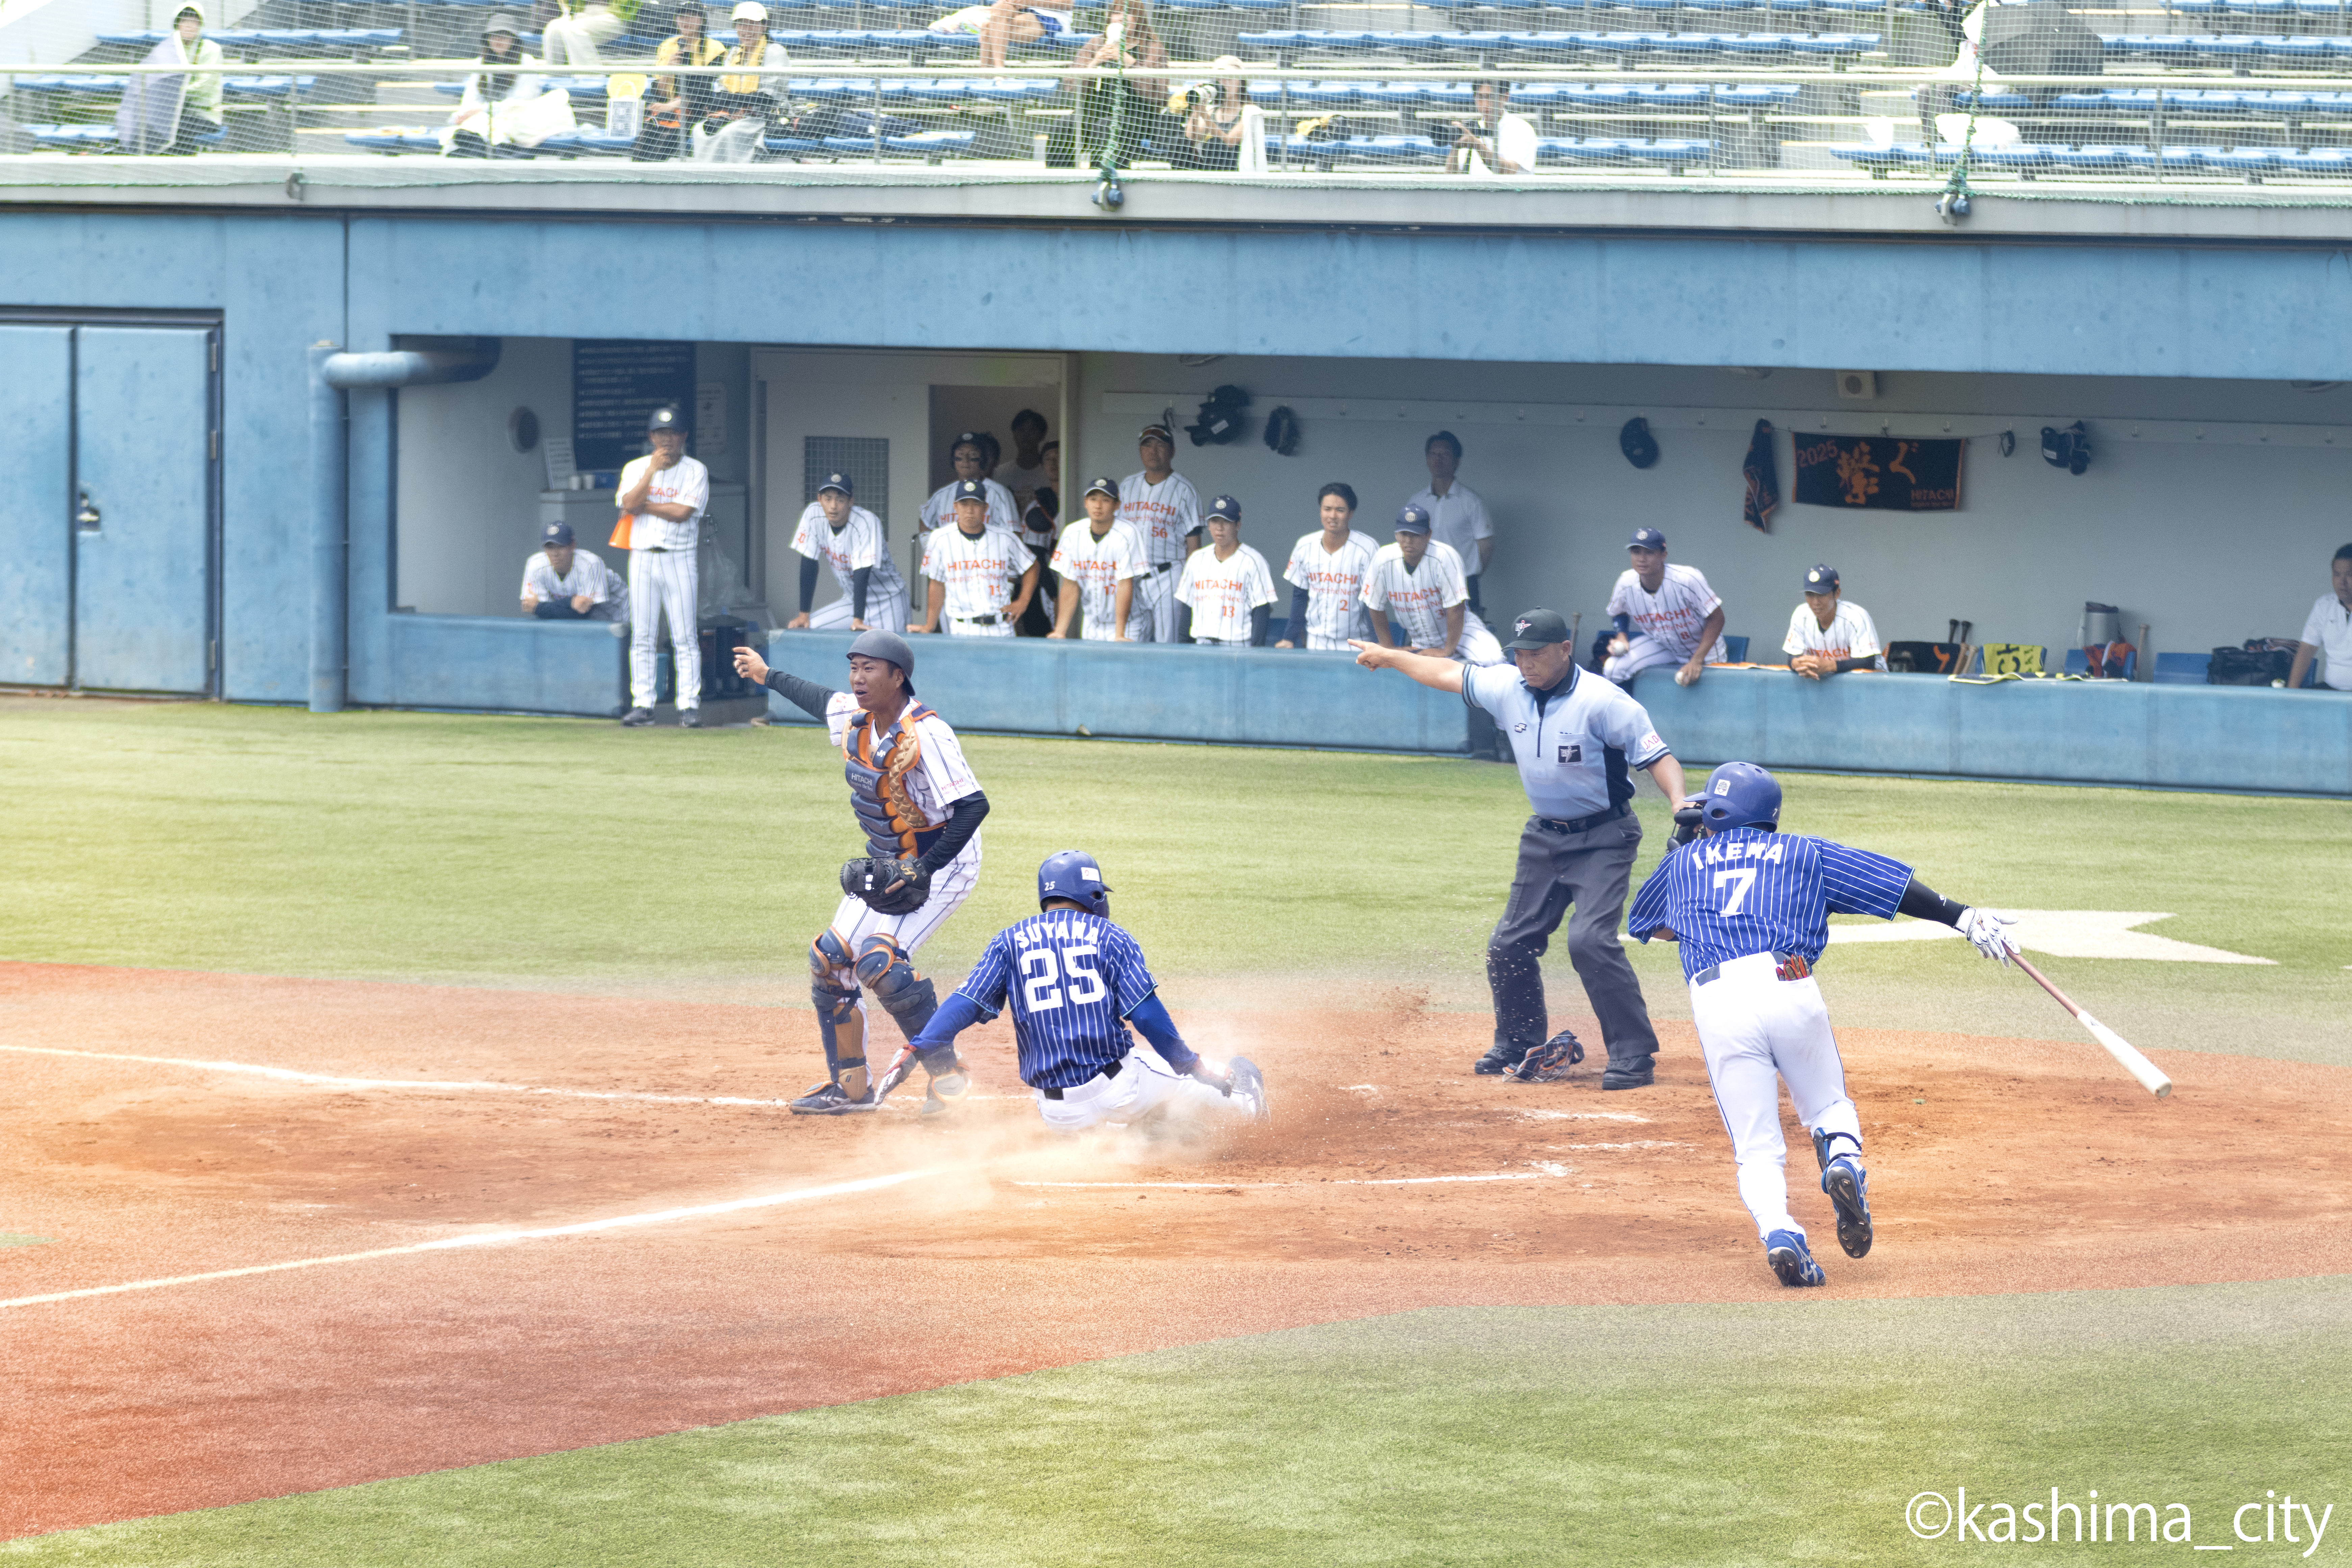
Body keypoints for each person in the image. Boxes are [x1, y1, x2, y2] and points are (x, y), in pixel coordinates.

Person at [1626, 761, 2018, 1287]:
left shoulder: (1685, 864)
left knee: (1757, 1147)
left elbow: (1651, 924)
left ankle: (1780, 1233)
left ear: (1711, 814)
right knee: (1829, 1105)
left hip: (1718, 1001)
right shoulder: (1802, 852)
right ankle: (1841, 1157)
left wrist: (1683, 844)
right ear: (1770, 814)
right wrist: (1963, 917)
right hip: (1788, 983)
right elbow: (1891, 886)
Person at [1352, 609, 1685, 1088]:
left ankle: (1633, 1053)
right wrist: (1390, 657)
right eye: (1520, 654)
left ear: (1565, 649)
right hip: (1544, 838)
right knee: (1508, 943)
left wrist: (1678, 801)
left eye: (1536, 654)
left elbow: (1658, 756)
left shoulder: (1604, 702)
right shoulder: (1508, 687)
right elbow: (1447, 672)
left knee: (1589, 940)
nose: (1526, 663)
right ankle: (1517, 1040)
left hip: (1604, 839)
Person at [731, 631, 989, 1118]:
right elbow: (816, 699)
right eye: (854, 667)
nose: (858, 677)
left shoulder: (928, 734)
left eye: (870, 668)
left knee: (881, 964)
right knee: (830, 959)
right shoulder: (857, 716)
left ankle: (948, 1079)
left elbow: (974, 807)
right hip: (891, 859)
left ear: (898, 676)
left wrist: (923, 869)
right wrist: (767, 676)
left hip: (947, 863)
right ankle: (849, 1086)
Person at [886, 850, 1269, 1130]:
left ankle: (1131, 1131)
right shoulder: (1111, 937)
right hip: (1123, 1088)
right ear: (1093, 895)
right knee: (1231, 1076)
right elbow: (1147, 1015)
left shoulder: (1008, 941)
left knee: (1129, 1116)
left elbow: (963, 1004)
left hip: (1060, 1115)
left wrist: (916, 1047)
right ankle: (1245, 1104)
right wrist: (1193, 1066)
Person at [617, 404, 710, 727]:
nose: (667, 440)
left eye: (672, 433)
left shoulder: (696, 470)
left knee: (684, 635)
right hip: (642, 557)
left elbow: (683, 512)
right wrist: (650, 473)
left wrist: (648, 506)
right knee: (643, 635)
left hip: (679, 557)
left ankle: (689, 706)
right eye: (661, 433)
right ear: (651, 437)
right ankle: (643, 704)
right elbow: (629, 504)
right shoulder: (636, 468)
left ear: (683, 436)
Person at [1362, 505, 1502, 665]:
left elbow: (1457, 607)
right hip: (1421, 639)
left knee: (1494, 659)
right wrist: (1389, 648)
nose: (1408, 541)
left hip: (1462, 632)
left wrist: (1447, 651)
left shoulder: (1445, 557)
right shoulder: (1383, 559)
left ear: (1428, 535)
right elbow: (1374, 605)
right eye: (1404, 534)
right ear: (1396, 534)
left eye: (1415, 535)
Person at [1603, 527, 1725, 689]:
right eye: (1636, 552)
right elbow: (1618, 612)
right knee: (1613, 669)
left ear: (1663, 555)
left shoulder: (1687, 579)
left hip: (1703, 647)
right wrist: (1622, 637)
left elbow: (1717, 619)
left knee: (1709, 690)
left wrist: (1696, 661)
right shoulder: (1626, 583)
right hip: (1664, 645)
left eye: (1650, 552)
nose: (1642, 559)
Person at [916, 480, 1038, 636]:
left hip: (1000, 627)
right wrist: (930, 626)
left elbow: (1032, 566)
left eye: (976, 504)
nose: (970, 510)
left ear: (985, 508)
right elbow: (937, 583)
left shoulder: (1005, 537)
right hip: (961, 628)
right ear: (955, 507)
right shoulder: (940, 538)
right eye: (964, 504)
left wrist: (1024, 601)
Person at [790, 471, 906, 633]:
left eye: (840, 499)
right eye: (828, 498)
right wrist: (804, 615)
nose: (833, 506)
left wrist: (858, 620)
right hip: (852, 600)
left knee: (892, 651)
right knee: (810, 628)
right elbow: (809, 562)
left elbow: (862, 573)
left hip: (888, 600)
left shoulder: (866, 521)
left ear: (851, 501)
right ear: (819, 499)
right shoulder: (813, 515)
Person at [443, 15, 574, 157]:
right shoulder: (480, 63)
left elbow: (521, 103)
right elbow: (471, 100)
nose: (498, 41)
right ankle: (482, 149)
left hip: (518, 119)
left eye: (504, 36)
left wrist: (482, 109)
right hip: (486, 118)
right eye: (494, 36)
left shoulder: (526, 62)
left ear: (514, 40)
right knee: (466, 129)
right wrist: (465, 114)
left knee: (497, 128)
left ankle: (481, 150)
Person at [1118, 423, 1202, 643]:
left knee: (1168, 645)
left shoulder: (1185, 489)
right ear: (1140, 451)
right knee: (1129, 643)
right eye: (1147, 446)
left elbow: (1194, 543)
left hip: (1168, 576)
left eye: (1160, 445)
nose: (1153, 451)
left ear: (1172, 451)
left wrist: (1190, 583)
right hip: (1131, 577)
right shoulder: (1127, 486)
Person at [1057, 0, 1163, 170]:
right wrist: (1095, 62)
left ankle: (1104, 176)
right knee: (1065, 125)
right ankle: (1059, 178)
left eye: (1126, 13)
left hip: (1138, 116)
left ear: (1138, 18)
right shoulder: (1095, 44)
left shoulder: (1152, 47)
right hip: (1095, 112)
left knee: (1107, 125)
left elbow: (1157, 93)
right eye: (1116, 13)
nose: (1120, 18)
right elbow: (1071, 86)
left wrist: (1129, 62)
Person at [1277, 483, 1379, 651]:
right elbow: (1300, 597)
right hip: (1317, 641)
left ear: (1351, 514)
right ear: (1320, 511)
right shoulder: (1305, 545)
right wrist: (1289, 638)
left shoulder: (1368, 548)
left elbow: (1373, 602)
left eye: (1340, 510)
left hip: (1357, 642)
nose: (1333, 516)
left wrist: (1378, 644)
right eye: (1327, 509)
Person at [1406, 431, 1495, 616]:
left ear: (1457, 461)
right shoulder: (1417, 502)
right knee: (1426, 639)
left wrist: (1470, 574)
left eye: (1445, 454)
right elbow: (1408, 543)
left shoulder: (1472, 502)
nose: (1438, 459)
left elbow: (1486, 548)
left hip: (1463, 584)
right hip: (1425, 581)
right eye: (1433, 454)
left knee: (1464, 640)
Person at [1050, 477, 1147, 641]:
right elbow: (1071, 584)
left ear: (1117, 505)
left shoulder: (1128, 533)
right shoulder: (1072, 533)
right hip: (1091, 623)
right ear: (1085, 503)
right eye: (1093, 499)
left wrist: (1120, 635)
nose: (1098, 505)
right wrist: (1060, 631)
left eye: (1105, 500)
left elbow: (1125, 583)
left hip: (1129, 623)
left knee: (1122, 667)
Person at [1175, 496, 1278, 647]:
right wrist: (1184, 649)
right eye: (1215, 521)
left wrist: (1256, 653)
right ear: (1209, 525)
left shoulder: (1254, 561)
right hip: (1201, 645)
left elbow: (1261, 612)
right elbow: (1187, 610)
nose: (1220, 528)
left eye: (1226, 521)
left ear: (1238, 525)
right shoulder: (1196, 560)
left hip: (1237, 647)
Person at [631, 1, 724, 162]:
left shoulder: (715, 49)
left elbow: (702, 92)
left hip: (697, 108)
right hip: (669, 105)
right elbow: (659, 92)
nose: (686, 21)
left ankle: (658, 175)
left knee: (665, 133)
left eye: (692, 16)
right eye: (682, 16)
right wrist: (670, 69)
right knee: (646, 137)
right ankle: (639, 174)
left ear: (702, 19)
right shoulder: (668, 45)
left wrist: (671, 105)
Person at [691, 1, 780, 162]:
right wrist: (731, 110)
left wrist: (741, 108)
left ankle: (735, 176)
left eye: (752, 24)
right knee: (700, 129)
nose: (746, 31)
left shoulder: (774, 51)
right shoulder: (734, 52)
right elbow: (722, 90)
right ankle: (707, 176)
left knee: (730, 132)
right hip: (734, 113)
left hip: (762, 118)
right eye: (741, 24)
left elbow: (769, 97)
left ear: (764, 26)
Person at [1783, 564, 1886, 678]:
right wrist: (1796, 664)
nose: (1816, 602)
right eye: (1810, 595)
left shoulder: (1855, 616)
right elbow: (1792, 656)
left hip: (1871, 684)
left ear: (1837, 594)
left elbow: (1868, 662)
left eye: (1822, 595)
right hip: (1825, 683)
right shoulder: (1801, 615)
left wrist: (1829, 666)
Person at [520, 521, 628, 622]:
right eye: (550, 548)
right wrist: (571, 603)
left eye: (561, 547)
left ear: (572, 546)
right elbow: (541, 612)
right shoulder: (536, 565)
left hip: (621, 610)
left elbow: (583, 612)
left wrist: (539, 607)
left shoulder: (591, 563)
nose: (555, 554)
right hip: (591, 621)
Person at [926, 0, 1077, 70]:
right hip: (1018, 15)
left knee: (988, 28)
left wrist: (1030, 1)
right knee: (997, 11)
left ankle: (995, 70)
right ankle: (992, 72)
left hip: (1050, 19)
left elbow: (1067, 4)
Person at [919, 432, 1018, 537]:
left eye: (973, 455)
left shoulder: (1000, 494)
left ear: (983, 459)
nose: (966, 460)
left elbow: (1014, 535)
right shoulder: (941, 495)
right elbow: (925, 525)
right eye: (960, 455)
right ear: (954, 459)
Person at [1172, 56, 1254, 172]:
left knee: (1215, 144)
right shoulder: (1213, 111)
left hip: (1234, 169)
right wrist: (1197, 107)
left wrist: (1204, 114)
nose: (1223, 84)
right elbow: (1192, 137)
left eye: (1228, 79)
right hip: (1209, 167)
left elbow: (1230, 142)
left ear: (1241, 82)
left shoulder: (1250, 111)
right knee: (1179, 142)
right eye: (1218, 80)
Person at [2288, 544, 2352, 692]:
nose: (2342, 582)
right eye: (2337, 574)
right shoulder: (2324, 605)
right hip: (2331, 691)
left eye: (2350, 575)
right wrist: (2291, 692)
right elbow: (2307, 649)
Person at [1449, 78, 1537, 176]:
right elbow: (1449, 177)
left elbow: (1511, 171)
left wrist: (1476, 145)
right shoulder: (1471, 130)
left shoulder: (1522, 129)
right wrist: (1455, 143)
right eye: (1480, 97)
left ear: (1505, 97)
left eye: (1491, 97)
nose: (1485, 105)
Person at [539, 0, 630, 67]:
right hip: (583, 16)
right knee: (554, 27)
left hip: (616, 17)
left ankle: (590, 78)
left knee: (573, 29)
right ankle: (555, 77)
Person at [996, 410, 1053, 513]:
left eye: (1032, 431)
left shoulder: (1051, 473)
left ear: (1042, 436)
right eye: (1021, 430)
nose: (1026, 435)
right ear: (1014, 434)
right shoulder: (1000, 474)